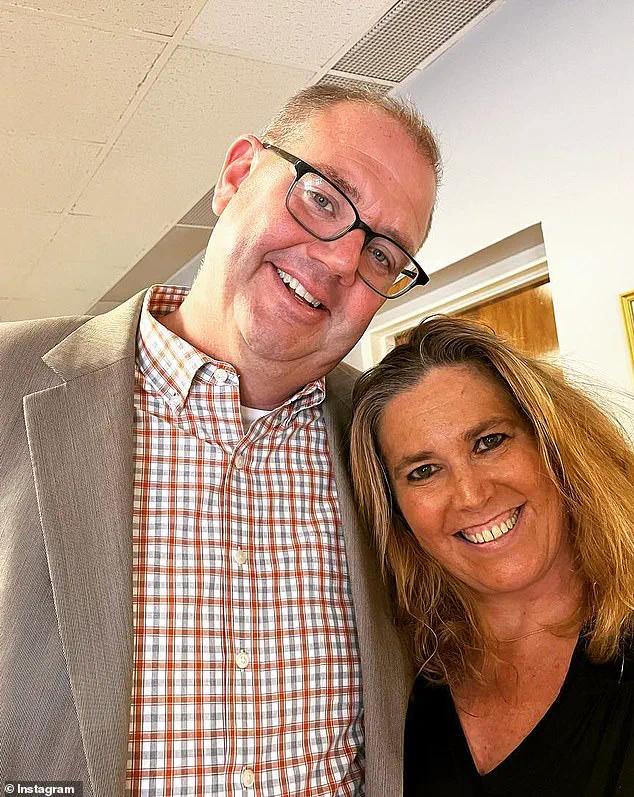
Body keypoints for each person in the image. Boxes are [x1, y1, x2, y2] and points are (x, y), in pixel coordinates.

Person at [0, 85, 440, 795]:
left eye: (384, 255)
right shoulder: (10, 381)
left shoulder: (388, 439)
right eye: (322, 199)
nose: (340, 261)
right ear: (236, 175)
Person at [350, 315, 634, 796]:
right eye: (423, 471)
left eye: (489, 442)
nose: (471, 495)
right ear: (397, 510)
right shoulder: (406, 686)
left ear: (553, 444)